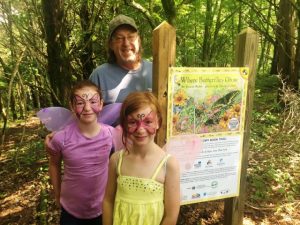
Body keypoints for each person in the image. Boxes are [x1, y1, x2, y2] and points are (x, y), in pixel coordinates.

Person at [102, 92, 180, 225]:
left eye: (148, 122)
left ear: (158, 122)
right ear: (125, 124)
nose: (140, 129)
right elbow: (108, 201)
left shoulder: (168, 164)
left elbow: (171, 215)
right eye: (133, 122)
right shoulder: (116, 160)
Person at [47, 80, 114, 225]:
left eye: (93, 101)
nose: (87, 108)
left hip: (102, 208)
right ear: (72, 106)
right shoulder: (61, 138)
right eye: (80, 103)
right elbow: (54, 165)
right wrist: (57, 195)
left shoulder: (111, 134)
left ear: (101, 104)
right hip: (71, 211)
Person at [89, 14, 152, 105]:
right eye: (119, 38)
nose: (126, 43)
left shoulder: (155, 71)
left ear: (138, 40)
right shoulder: (99, 76)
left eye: (131, 37)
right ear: (111, 44)